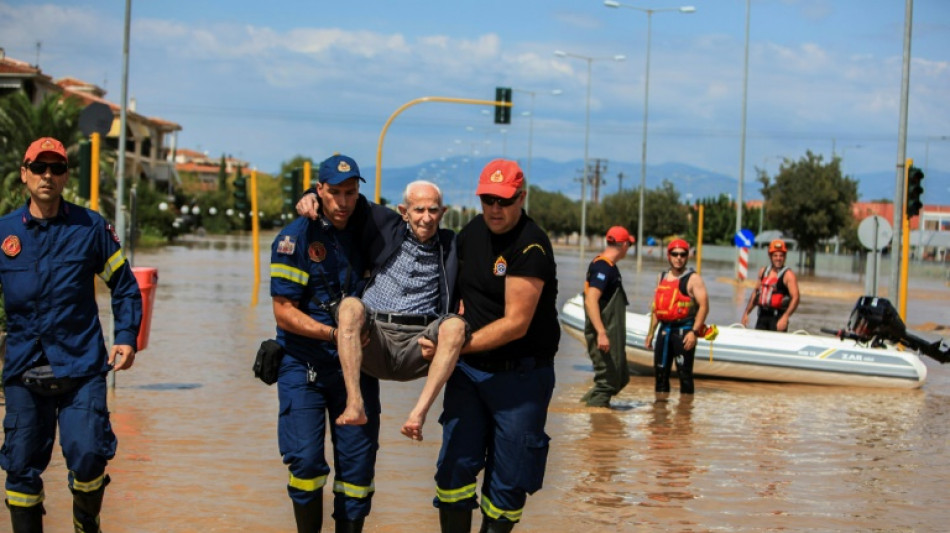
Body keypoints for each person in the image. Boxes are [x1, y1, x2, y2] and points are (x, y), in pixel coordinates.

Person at [0, 137, 142, 532]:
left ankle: (86, 524)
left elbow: (125, 286)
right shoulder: (4, 233)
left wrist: (126, 337)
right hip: (23, 369)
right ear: (24, 173)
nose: (48, 175)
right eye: (39, 167)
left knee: (88, 455)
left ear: (65, 176)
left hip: (80, 366)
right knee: (21, 466)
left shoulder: (91, 227)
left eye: (57, 168)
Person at [432, 159, 559, 533]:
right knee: (454, 467)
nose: (495, 208)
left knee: (508, 484)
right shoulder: (470, 233)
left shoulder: (531, 245)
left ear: (521, 197)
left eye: (503, 200)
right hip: (470, 373)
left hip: (521, 377)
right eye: (488, 199)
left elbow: (516, 324)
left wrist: (454, 348)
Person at [295, 180, 468, 441]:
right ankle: (355, 403)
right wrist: (310, 194)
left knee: (455, 326)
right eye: (419, 210)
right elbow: (347, 198)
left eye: (433, 210)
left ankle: (418, 416)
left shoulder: (453, 245)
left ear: (443, 213)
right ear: (404, 211)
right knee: (351, 306)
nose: (426, 218)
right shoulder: (386, 226)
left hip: (419, 344)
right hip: (375, 339)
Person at [270, 154, 378, 533]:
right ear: (320, 191)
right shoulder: (295, 237)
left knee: (358, 473)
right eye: (334, 193)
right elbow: (283, 312)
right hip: (304, 365)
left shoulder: (369, 228)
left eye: (350, 193)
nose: (343, 202)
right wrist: (336, 335)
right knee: (306, 464)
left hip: (358, 369)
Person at [644, 239, 709, 398]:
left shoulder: (694, 279)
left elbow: (704, 306)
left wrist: (694, 332)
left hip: (684, 331)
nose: (678, 258)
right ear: (669, 256)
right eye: (675, 254)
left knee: (684, 375)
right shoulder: (662, 277)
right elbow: (656, 308)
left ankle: (685, 415)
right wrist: (651, 332)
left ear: (687, 256)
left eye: (682, 254)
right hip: (664, 330)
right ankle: (659, 413)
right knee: (660, 374)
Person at [580, 226, 634, 408]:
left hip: (612, 331)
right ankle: (596, 421)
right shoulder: (603, 267)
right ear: (624, 244)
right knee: (608, 381)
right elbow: (590, 300)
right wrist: (601, 333)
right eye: (629, 245)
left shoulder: (607, 266)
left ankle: (583, 409)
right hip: (604, 332)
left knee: (621, 377)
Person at [741, 239, 800, 332]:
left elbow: (796, 298)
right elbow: (756, 294)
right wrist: (746, 313)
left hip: (778, 318)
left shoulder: (788, 275)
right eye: (775, 255)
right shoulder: (763, 272)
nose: (778, 258)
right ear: (770, 256)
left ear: (785, 257)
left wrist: (786, 317)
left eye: (781, 255)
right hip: (762, 317)